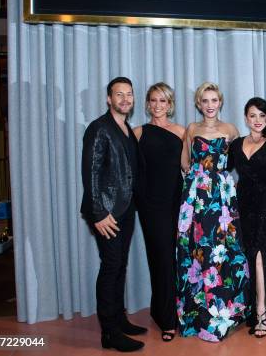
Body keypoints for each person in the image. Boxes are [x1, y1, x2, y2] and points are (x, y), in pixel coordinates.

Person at [175, 82, 249, 342]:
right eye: (204, 100)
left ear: (220, 102)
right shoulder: (192, 129)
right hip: (195, 199)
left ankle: (221, 315)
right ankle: (196, 317)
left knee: (220, 251)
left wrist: (226, 183)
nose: (209, 105)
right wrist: (196, 179)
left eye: (214, 100)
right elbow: (184, 161)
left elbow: (243, 161)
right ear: (198, 103)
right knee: (196, 250)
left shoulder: (230, 129)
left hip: (220, 198)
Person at [81, 77, 147, 352]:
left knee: (119, 265)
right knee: (111, 267)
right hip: (106, 212)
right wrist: (98, 212)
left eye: (129, 95)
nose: (124, 99)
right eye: (118, 95)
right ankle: (109, 333)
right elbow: (91, 172)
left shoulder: (126, 128)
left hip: (125, 208)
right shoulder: (99, 128)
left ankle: (119, 320)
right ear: (109, 99)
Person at [227, 98, 266, 338]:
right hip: (241, 207)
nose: (257, 120)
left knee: (258, 254)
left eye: (262, 116)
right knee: (251, 256)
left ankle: (261, 312)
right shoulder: (235, 145)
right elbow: (222, 171)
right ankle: (262, 305)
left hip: (265, 208)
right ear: (245, 118)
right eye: (252, 116)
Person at [133, 83, 185, 342]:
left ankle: (167, 310)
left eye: (162, 101)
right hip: (151, 206)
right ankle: (167, 319)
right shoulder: (138, 133)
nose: (157, 105)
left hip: (178, 203)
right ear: (147, 103)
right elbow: (128, 170)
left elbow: (191, 168)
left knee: (178, 259)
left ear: (170, 104)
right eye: (153, 100)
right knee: (161, 258)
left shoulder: (182, 132)